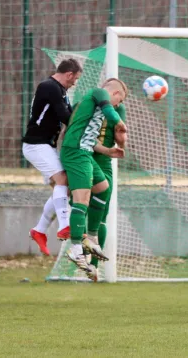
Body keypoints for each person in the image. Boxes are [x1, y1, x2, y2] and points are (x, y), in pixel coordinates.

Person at [60, 78, 127, 279]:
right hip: (75, 153)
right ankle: (75, 248)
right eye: (119, 101)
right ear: (114, 94)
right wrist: (120, 122)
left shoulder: (93, 104)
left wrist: (108, 150)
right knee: (82, 199)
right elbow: (109, 111)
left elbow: (87, 136)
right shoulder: (98, 93)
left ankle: (90, 237)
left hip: (85, 152)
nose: (118, 105)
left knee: (103, 187)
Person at [22, 59, 82, 255]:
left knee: (61, 189)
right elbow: (66, 117)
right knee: (62, 179)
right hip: (35, 144)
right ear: (69, 74)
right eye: (75, 79)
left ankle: (39, 230)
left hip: (45, 145)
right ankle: (64, 226)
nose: (74, 83)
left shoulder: (60, 90)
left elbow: (69, 114)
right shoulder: (49, 87)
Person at [86, 91, 128, 281]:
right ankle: (79, 249)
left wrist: (121, 138)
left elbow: (121, 140)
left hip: (104, 164)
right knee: (78, 207)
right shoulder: (86, 104)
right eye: (121, 97)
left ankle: (93, 266)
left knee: (102, 215)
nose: (121, 102)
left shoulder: (120, 110)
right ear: (116, 93)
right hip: (84, 159)